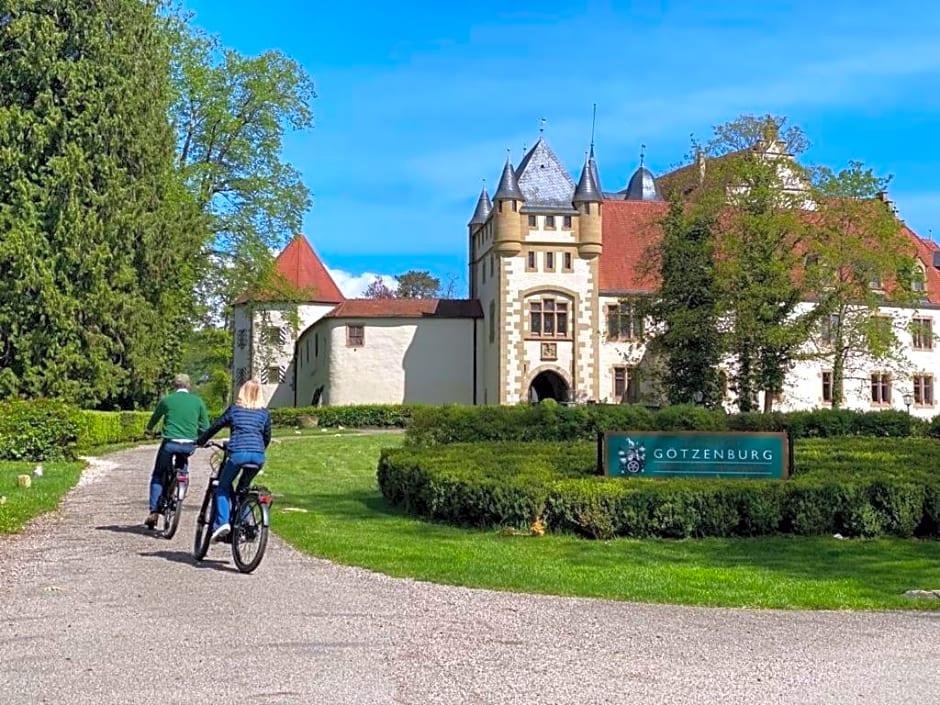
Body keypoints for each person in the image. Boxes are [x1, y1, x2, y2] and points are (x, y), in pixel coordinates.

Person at [196, 378, 272, 542]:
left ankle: (222, 523)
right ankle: (243, 526)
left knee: (223, 487)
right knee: (243, 489)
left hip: (238, 453)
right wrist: (257, 449)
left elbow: (216, 426)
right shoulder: (264, 414)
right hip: (258, 456)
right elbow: (267, 437)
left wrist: (200, 441)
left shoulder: (235, 410)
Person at [144, 373, 210, 529]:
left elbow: (155, 418)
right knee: (182, 464)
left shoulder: (167, 400)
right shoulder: (198, 402)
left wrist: (148, 430)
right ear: (189, 385)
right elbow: (205, 427)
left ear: (175, 385)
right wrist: (202, 439)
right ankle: (181, 487)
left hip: (170, 443)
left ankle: (154, 511)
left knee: (158, 474)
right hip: (189, 445)